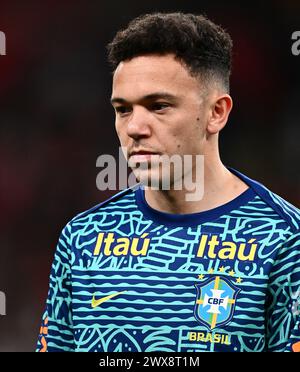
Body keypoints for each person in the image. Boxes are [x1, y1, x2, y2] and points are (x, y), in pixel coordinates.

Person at [36, 12, 300, 352]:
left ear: (216, 112)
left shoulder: (284, 240)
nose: (134, 128)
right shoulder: (83, 239)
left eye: (158, 106)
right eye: (123, 109)